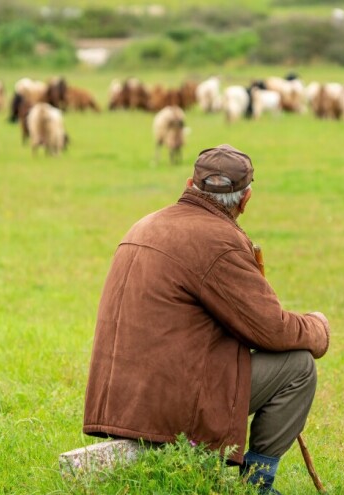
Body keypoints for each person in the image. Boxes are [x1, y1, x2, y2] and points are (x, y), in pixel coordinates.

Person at [83, 144, 330, 494]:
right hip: (168, 410)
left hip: (120, 404)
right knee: (298, 365)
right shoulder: (220, 242)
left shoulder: (144, 224)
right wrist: (318, 328)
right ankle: (256, 487)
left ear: (189, 184)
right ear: (246, 200)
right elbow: (272, 330)